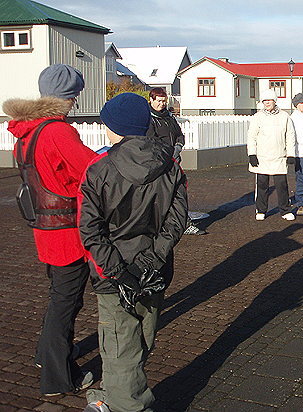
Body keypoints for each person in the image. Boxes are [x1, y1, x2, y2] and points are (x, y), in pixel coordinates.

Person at [78, 93, 188, 411]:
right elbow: (176, 220)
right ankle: (117, 395)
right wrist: (150, 261)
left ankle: (125, 403)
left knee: (118, 342)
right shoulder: (169, 165)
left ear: (115, 127)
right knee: (141, 337)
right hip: (154, 269)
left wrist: (120, 271)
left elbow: (90, 230)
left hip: (113, 274)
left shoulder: (99, 169)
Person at [3, 64, 95, 396]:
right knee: (66, 304)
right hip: (68, 231)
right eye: (75, 96)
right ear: (69, 97)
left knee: (59, 297)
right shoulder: (57, 131)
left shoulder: (28, 132)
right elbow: (90, 170)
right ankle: (59, 377)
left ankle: (46, 355)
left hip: (45, 228)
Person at [145, 87, 204, 236]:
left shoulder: (169, 117)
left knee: (180, 191)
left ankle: (184, 223)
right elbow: (152, 142)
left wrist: (178, 147)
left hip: (174, 161)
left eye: (164, 101)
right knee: (162, 195)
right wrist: (168, 153)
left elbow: (179, 135)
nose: (161, 104)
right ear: (151, 100)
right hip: (160, 164)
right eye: (158, 101)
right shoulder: (149, 119)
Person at [247, 89, 296, 221]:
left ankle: (285, 210)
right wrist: (252, 154)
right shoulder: (257, 117)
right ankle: (261, 210)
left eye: (269, 100)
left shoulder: (284, 116)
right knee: (262, 185)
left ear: (275, 101)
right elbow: (251, 136)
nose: (267, 103)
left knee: (282, 186)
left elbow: (290, 136)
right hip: (262, 158)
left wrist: (291, 154)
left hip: (279, 157)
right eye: (264, 101)